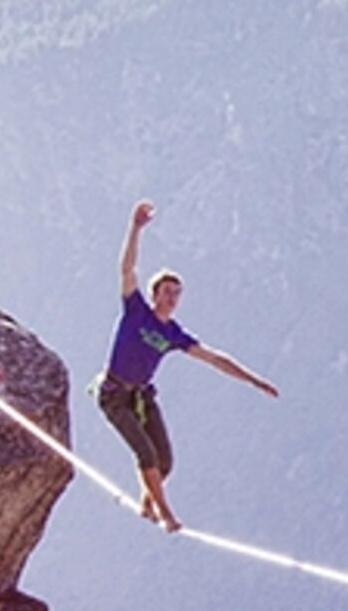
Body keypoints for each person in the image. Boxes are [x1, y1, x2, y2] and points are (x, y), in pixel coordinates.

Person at [96, 199, 278, 531]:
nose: (172, 298)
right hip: (113, 395)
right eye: (167, 292)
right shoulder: (136, 311)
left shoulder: (172, 333)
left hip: (141, 396)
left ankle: (147, 504)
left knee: (165, 463)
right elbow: (126, 269)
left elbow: (214, 359)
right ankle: (166, 515)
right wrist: (135, 228)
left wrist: (254, 381)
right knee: (146, 456)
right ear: (155, 294)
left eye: (177, 294)